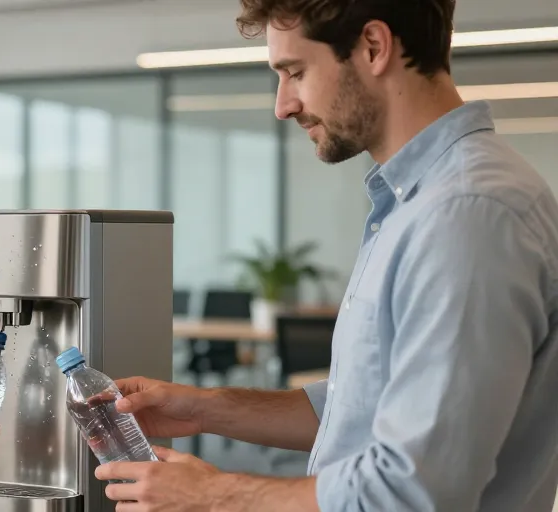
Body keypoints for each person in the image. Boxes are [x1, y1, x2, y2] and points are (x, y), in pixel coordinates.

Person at [95, 0, 558, 511]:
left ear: (374, 47)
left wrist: (214, 495)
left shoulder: (467, 214)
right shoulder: (413, 202)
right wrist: (203, 407)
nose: (283, 105)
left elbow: (415, 491)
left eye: (295, 71)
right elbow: (356, 409)